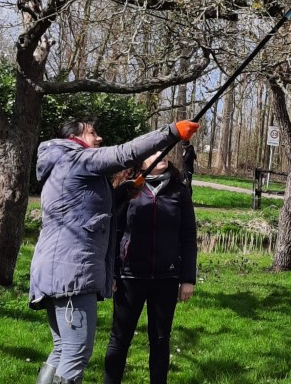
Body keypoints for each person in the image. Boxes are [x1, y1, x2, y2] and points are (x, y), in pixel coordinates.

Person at [30, 117, 199, 384]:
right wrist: (171, 132)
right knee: (75, 352)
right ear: (74, 137)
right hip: (72, 274)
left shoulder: (64, 163)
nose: (98, 139)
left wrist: (123, 194)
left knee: (62, 348)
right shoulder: (78, 159)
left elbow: (92, 212)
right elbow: (125, 153)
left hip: (56, 270)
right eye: (93, 133)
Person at [104, 151, 197, 384]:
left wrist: (188, 278)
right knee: (120, 338)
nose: (162, 155)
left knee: (160, 339)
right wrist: (112, 272)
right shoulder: (128, 189)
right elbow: (114, 233)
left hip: (166, 278)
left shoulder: (180, 191)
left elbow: (188, 236)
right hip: (129, 277)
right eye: (154, 152)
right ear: (141, 160)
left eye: (164, 151)